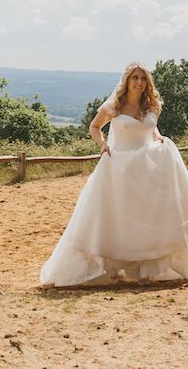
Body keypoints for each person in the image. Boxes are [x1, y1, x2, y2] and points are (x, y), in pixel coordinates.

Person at [40, 62, 188, 286]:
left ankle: (146, 270)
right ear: (127, 81)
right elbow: (94, 127)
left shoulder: (152, 107)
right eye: (134, 78)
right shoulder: (113, 106)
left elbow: (150, 127)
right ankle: (112, 268)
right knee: (117, 218)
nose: (139, 82)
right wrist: (102, 145)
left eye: (142, 78)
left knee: (146, 217)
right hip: (120, 167)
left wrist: (157, 137)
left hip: (147, 168)